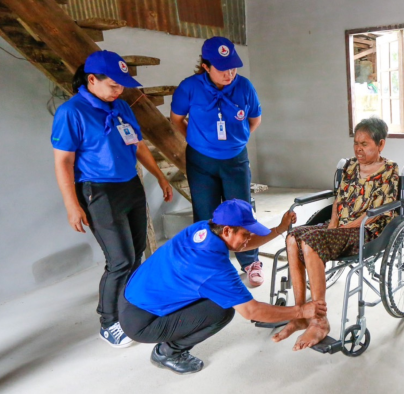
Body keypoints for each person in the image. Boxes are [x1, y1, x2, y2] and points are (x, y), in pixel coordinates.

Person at [51, 50, 173, 348]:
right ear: (92, 80)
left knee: (137, 250)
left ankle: (127, 308)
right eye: (113, 85)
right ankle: (109, 322)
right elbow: (63, 162)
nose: (119, 91)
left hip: (129, 185)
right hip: (98, 191)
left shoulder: (120, 106)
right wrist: (72, 205)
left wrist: (158, 174)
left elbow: (137, 144)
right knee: (119, 260)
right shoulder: (72, 112)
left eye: (122, 86)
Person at [119, 199, 327, 374]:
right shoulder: (214, 268)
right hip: (143, 322)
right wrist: (300, 310)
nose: (248, 239)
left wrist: (280, 229)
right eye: (246, 234)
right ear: (227, 230)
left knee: (218, 295)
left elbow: (243, 243)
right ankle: (168, 352)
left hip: (133, 294)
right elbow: (251, 311)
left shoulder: (203, 228)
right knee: (222, 310)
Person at [273, 118, 399, 351]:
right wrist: (332, 225)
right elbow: (339, 200)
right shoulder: (350, 166)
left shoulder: (389, 170)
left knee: (309, 243)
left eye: (365, 144)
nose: (359, 149)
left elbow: (374, 214)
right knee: (292, 238)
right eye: (356, 143)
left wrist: (344, 228)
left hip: (364, 232)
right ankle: (301, 313)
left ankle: (320, 321)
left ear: (381, 145)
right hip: (338, 228)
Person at [169, 37, 265, 287]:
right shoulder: (189, 87)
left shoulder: (244, 86)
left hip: (235, 158)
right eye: (223, 69)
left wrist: (235, 141)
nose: (230, 73)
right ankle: (208, 264)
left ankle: (250, 261)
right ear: (206, 66)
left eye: (233, 67)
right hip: (201, 161)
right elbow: (177, 119)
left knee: (242, 211)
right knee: (205, 214)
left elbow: (254, 120)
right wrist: (199, 141)